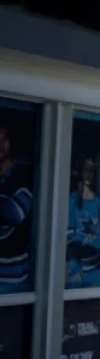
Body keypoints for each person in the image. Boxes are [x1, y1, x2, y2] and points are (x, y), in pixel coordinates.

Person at [0, 124, 36, 291]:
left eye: (4, 139)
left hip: (14, 278)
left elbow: (16, 212)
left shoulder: (22, 173)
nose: (0, 145)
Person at [65, 159, 100, 287]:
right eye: (85, 170)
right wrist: (73, 262)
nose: (88, 174)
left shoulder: (98, 201)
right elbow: (68, 234)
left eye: (92, 171)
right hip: (78, 267)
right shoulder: (72, 199)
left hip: (96, 267)